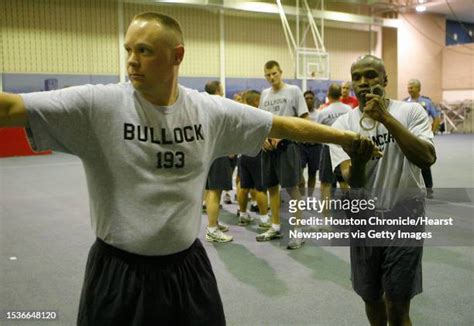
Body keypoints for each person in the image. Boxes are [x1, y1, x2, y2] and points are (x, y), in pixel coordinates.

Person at [0, 12, 376, 325]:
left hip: (187, 271)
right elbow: (11, 108)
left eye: (144, 51)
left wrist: (344, 138)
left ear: (176, 56)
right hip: (118, 275)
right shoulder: (99, 106)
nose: (132, 60)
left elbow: (283, 125)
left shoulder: (208, 111)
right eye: (128, 50)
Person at [329, 55, 436, 326]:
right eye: (357, 77)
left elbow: (427, 158)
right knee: (372, 299)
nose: (363, 82)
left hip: (405, 215)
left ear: (385, 80)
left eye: (371, 75)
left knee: (398, 306)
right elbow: (353, 182)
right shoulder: (341, 126)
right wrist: (360, 162)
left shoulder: (411, 112)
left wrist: (385, 118)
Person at [256, 60, 308, 250]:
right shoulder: (265, 94)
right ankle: (275, 226)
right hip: (268, 148)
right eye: (268, 75)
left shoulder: (293, 91)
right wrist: (263, 138)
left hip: (287, 146)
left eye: (274, 74)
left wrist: (284, 134)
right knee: (271, 187)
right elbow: (261, 120)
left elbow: (303, 120)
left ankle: (298, 231)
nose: (271, 77)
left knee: (292, 189)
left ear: (281, 72)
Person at [315, 83, 351, 220]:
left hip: (329, 149)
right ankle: (352, 216)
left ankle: (325, 219)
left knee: (326, 184)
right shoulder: (349, 110)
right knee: (345, 182)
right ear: (340, 95)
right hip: (345, 149)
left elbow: (317, 133)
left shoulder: (323, 112)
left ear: (328, 96)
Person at [203, 80, 233, 243]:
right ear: (217, 89)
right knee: (215, 191)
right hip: (217, 152)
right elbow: (225, 128)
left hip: (208, 153)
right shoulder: (219, 104)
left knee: (211, 190)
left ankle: (213, 222)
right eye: (221, 89)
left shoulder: (204, 105)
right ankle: (212, 230)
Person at [236, 90, 270, 225]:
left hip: (243, 154)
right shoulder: (261, 116)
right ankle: (264, 218)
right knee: (260, 188)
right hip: (257, 154)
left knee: (244, 187)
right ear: (257, 101)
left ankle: (243, 214)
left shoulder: (240, 116)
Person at [404, 78, 441, 199]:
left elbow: (436, 118)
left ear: (418, 89)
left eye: (412, 87)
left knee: (424, 162)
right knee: (407, 163)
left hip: (422, 136)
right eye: (408, 87)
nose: (409, 89)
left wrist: (432, 132)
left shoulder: (427, 102)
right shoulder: (404, 102)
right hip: (408, 137)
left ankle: (429, 188)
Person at [298, 90, 322, 198]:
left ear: (314, 100)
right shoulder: (300, 115)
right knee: (299, 173)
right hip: (301, 146)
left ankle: (310, 197)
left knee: (312, 174)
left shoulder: (319, 114)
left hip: (315, 147)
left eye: (310, 98)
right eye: (306, 98)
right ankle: (302, 195)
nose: (308, 100)